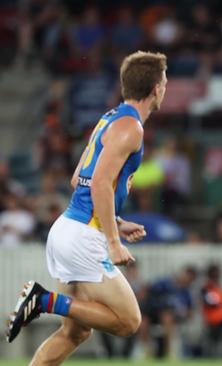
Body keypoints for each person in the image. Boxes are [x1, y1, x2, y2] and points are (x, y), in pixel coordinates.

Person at [5, 51, 168, 366]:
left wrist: (115, 221)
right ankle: (43, 300)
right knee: (128, 321)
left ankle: (46, 303)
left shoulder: (110, 118)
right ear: (155, 89)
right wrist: (113, 241)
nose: (165, 87)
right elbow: (98, 184)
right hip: (83, 238)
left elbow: (77, 178)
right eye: (164, 82)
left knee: (75, 333)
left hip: (68, 228)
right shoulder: (131, 128)